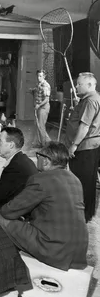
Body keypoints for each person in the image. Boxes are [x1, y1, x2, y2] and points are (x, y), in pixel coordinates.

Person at [0, 142, 88, 271]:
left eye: (38, 156)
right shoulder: (75, 180)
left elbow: (8, 212)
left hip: (53, 249)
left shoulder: (41, 179)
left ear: (46, 161)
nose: (37, 159)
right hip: (78, 253)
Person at [64, 72, 100, 223]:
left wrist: (74, 145)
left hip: (84, 148)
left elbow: (84, 127)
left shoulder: (90, 101)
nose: (77, 86)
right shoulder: (88, 99)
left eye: (80, 84)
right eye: (77, 83)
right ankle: (87, 214)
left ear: (90, 85)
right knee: (87, 182)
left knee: (82, 183)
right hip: (88, 147)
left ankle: (82, 216)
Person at [0, 127, 38, 213]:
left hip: (21, 215)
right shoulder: (23, 160)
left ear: (11, 145)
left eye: (0, 141)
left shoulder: (16, 166)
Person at [33, 70, 51, 147]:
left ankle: (46, 145)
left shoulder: (46, 85)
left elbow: (46, 99)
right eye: (38, 76)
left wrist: (39, 105)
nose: (38, 78)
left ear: (44, 76)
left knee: (41, 126)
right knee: (38, 125)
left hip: (43, 108)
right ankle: (41, 143)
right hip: (39, 107)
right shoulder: (39, 84)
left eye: (40, 76)